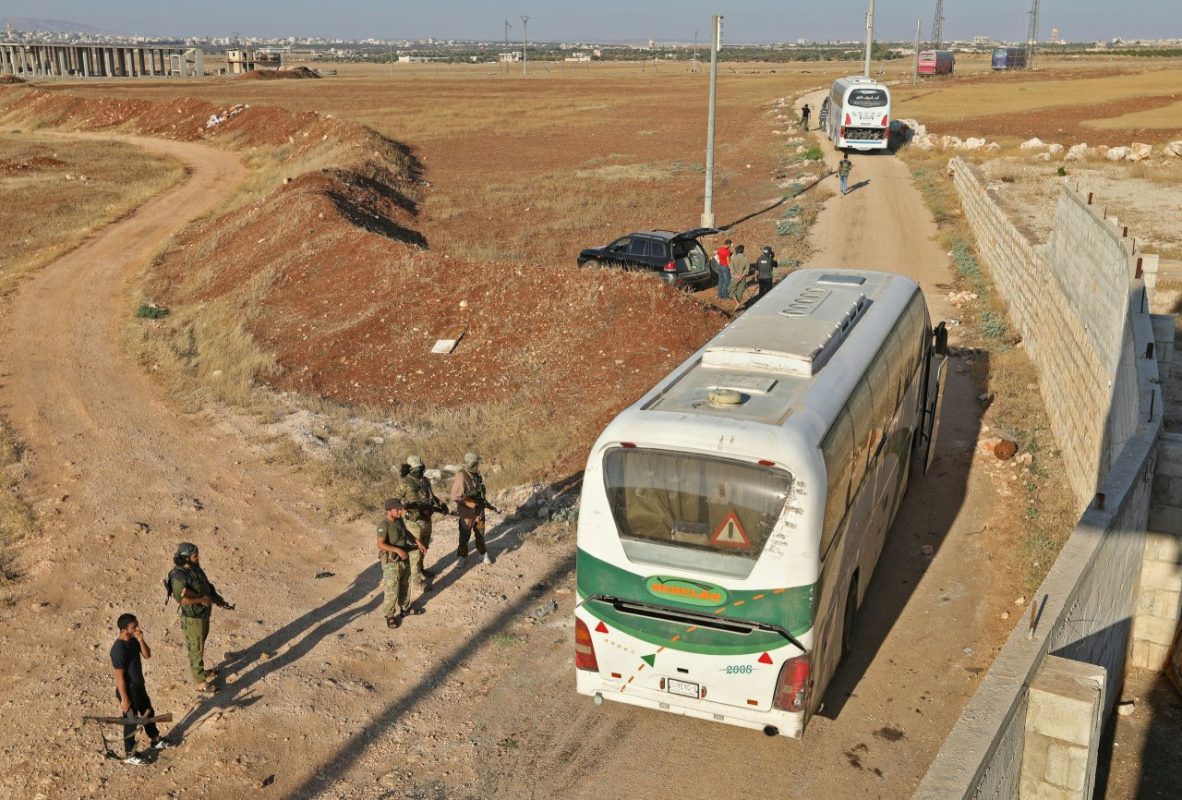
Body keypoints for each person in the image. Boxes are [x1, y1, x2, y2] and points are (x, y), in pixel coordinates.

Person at [169, 542, 232, 692]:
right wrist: (200, 600)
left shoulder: (195, 568)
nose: (198, 558)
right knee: (195, 648)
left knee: (200, 645)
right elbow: (181, 600)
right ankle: (199, 682)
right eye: (195, 556)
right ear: (186, 558)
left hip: (203, 614)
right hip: (192, 618)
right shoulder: (179, 575)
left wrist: (216, 598)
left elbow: (206, 585)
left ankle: (201, 672)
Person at [110, 613, 172, 765]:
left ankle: (155, 740)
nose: (137, 628)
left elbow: (147, 655)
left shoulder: (133, 640)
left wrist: (141, 639)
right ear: (124, 629)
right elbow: (119, 677)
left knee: (148, 712)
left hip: (139, 686)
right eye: (134, 627)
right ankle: (129, 754)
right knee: (131, 722)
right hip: (128, 690)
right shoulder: (118, 650)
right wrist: (124, 699)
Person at [395, 454, 444, 591]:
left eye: (421, 467)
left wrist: (440, 504)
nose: (420, 470)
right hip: (413, 523)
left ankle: (421, 569)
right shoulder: (404, 483)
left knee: (425, 547)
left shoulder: (425, 481)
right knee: (416, 551)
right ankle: (416, 579)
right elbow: (396, 502)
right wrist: (405, 512)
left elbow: (431, 496)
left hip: (426, 519)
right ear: (410, 468)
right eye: (417, 468)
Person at [376, 498, 427, 628]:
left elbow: (406, 533)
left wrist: (417, 542)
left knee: (405, 584)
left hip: (404, 559)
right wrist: (397, 550)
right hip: (392, 562)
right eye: (397, 509)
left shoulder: (399, 521)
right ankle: (390, 615)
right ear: (389, 511)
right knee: (392, 588)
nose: (400, 511)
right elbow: (380, 544)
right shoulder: (384, 525)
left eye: (400, 509)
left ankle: (405, 609)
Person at [451, 451, 493, 564]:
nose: (478, 465)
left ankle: (482, 553)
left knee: (480, 533)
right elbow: (455, 496)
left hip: (479, 512)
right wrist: (469, 502)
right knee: (464, 536)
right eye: (476, 463)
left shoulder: (477, 475)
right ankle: (462, 557)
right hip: (467, 513)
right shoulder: (461, 475)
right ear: (472, 463)